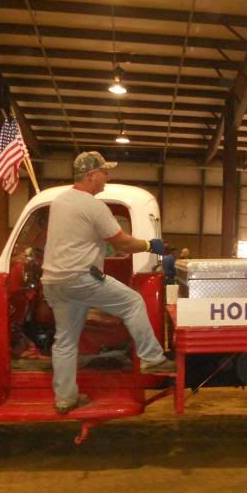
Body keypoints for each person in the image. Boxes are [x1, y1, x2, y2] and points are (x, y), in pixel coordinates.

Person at [41, 151, 174, 415]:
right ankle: (152, 359)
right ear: (90, 175)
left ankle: (66, 398)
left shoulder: (59, 201)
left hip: (54, 280)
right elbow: (121, 242)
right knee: (133, 302)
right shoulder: (92, 205)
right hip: (80, 277)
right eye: (104, 172)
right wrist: (151, 245)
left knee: (65, 341)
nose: (107, 177)